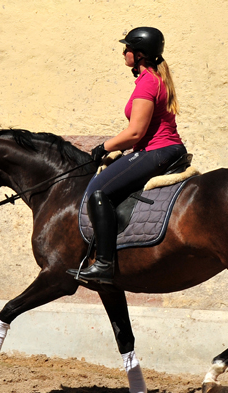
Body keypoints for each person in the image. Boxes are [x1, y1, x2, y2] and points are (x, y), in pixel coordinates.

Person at [68, 26, 186, 285]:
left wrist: (104, 146)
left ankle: (104, 264)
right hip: (162, 149)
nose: (124, 53)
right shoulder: (155, 78)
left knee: (99, 190)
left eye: (128, 48)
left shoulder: (147, 82)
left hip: (157, 150)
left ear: (140, 54)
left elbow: (135, 133)